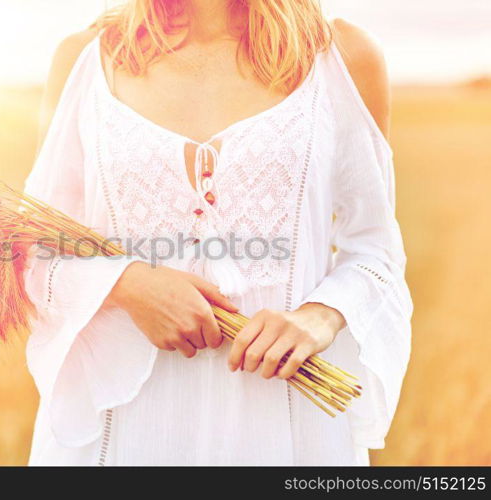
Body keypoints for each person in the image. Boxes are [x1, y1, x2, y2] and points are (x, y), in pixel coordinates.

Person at [22, 0, 412, 465]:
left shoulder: (340, 56)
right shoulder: (87, 58)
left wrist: (319, 315)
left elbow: (375, 247)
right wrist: (129, 285)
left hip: (285, 424)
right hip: (123, 430)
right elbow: (38, 248)